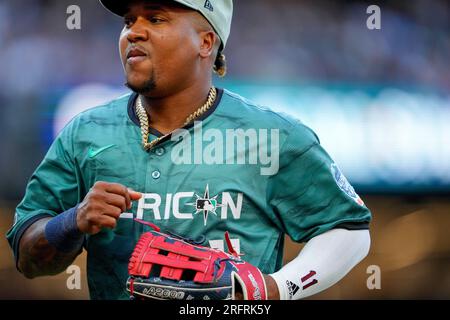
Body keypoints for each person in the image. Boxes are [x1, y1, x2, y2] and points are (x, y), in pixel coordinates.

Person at [6, 0, 371, 300]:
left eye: (156, 18)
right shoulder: (85, 132)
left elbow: (349, 229)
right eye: (129, 20)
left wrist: (277, 289)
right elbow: (28, 256)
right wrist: (72, 222)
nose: (134, 31)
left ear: (206, 43)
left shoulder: (272, 134)